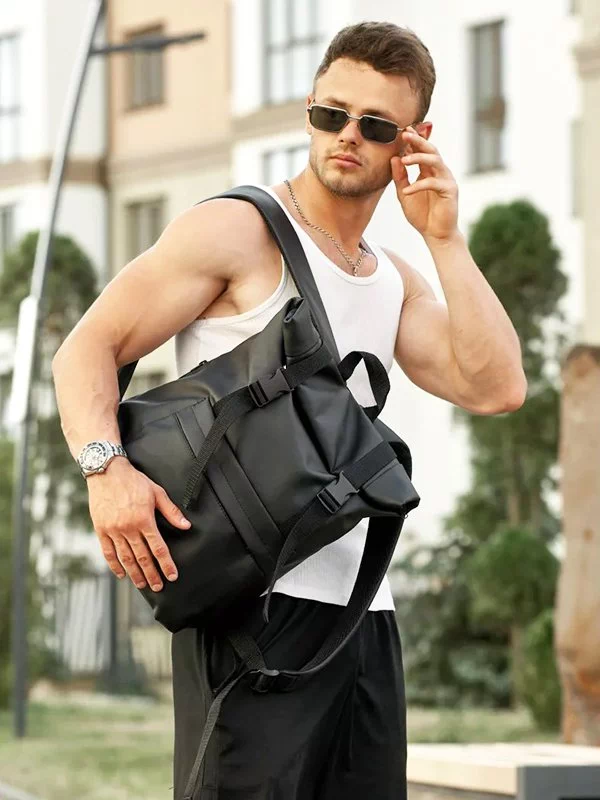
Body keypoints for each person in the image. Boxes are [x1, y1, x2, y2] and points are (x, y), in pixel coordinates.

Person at [52, 20, 526, 800]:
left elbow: (496, 386)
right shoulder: (238, 230)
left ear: (413, 140)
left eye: (375, 126)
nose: (347, 136)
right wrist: (107, 472)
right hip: (252, 613)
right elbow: (86, 348)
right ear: (309, 108)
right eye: (330, 114)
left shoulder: (392, 278)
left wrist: (445, 240)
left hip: (365, 618)